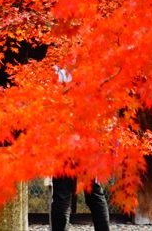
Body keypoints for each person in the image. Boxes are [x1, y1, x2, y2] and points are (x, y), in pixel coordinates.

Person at [50, 66, 111, 231]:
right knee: (94, 194)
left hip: (64, 141)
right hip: (91, 141)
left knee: (62, 196)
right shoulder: (96, 68)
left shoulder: (58, 70)